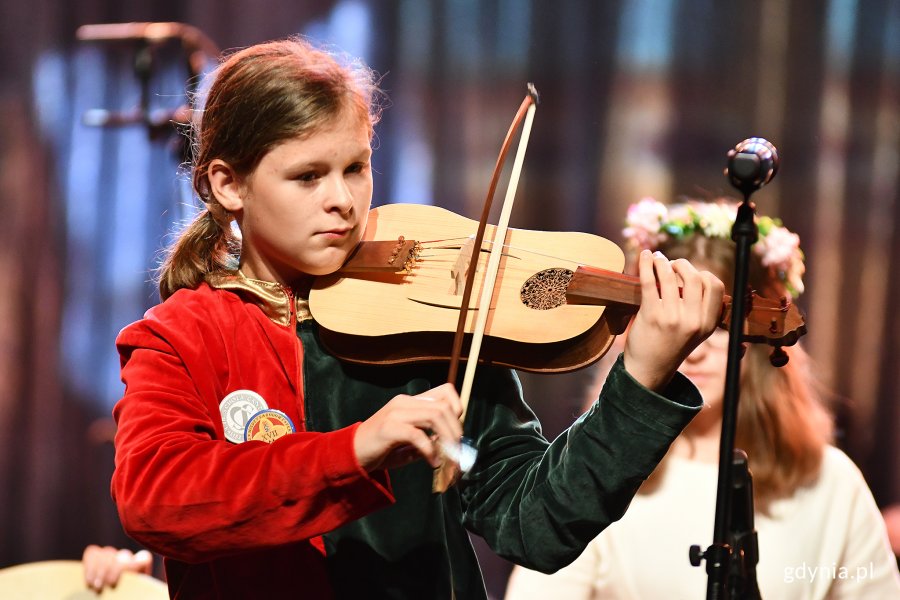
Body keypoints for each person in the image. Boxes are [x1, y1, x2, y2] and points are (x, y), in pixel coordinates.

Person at [110, 38, 726, 599]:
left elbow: (535, 522)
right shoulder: (179, 335)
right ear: (227, 184)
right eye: (307, 176)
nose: (343, 201)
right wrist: (355, 449)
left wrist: (640, 379)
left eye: (356, 167)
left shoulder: (425, 318)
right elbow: (155, 499)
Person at [505, 197, 900, 599]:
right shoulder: (591, 474)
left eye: (719, 325)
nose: (694, 348)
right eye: (675, 322)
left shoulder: (832, 482)